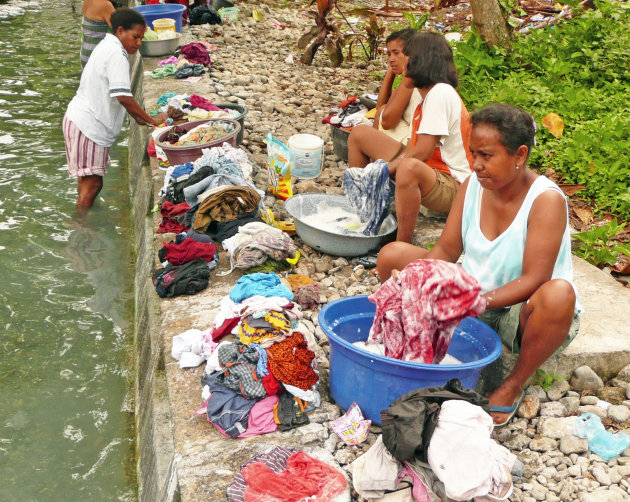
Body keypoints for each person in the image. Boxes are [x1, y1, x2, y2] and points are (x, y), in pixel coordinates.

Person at [376, 103, 580, 426]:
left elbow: (535, 277)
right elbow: (446, 247)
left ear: (520, 155)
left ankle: (513, 385)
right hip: (474, 296)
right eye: (473, 154)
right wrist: (417, 282)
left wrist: (476, 301)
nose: (476, 164)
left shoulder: (545, 200)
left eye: (486, 156)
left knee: (559, 296)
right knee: (392, 258)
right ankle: (413, 344)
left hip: (521, 311)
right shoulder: (474, 186)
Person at [347, 32, 472, 243]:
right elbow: (385, 120)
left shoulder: (440, 93)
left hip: (454, 184)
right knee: (360, 134)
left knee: (407, 167)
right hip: (432, 171)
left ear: (419, 60)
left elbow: (421, 152)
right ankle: (361, 210)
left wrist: (382, 170)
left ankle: (401, 245)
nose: (396, 61)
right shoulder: (425, 96)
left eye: (403, 55)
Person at [63, 8, 167, 210]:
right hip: (88, 125)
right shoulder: (117, 54)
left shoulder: (107, 45)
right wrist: (150, 119)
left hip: (80, 120)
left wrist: (139, 118)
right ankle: (81, 229)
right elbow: (122, 96)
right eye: (135, 37)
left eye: (141, 38)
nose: (138, 43)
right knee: (93, 184)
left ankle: (84, 220)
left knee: (86, 182)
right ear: (120, 31)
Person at [371, 28, 422, 144]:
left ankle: (374, 161)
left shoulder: (413, 77)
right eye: (389, 54)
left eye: (396, 53)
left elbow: (385, 121)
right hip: (416, 137)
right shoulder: (409, 75)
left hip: (420, 143)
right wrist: (390, 72)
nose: (391, 59)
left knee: (361, 133)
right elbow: (380, 106)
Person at [80, 0, 115, 69]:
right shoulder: (105, 5)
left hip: (85, 54)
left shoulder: (87, 1)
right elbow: (120, 29)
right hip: (97, 56)